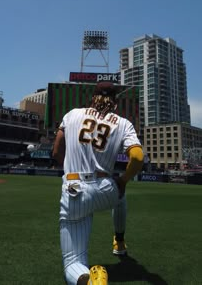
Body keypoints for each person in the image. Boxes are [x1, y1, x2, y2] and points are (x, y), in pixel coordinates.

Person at [52, 81, 144, 285]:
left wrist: (69, 165)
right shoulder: (123, 123)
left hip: (75, 191)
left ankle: (91, 281)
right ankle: (119, 242)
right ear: (114, 102)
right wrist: (123, 180)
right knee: (121, 195)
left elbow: (57, 152)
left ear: (93, 97)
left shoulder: (72, 114)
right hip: (104, 188)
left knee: (73, 262)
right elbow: (137, 157)